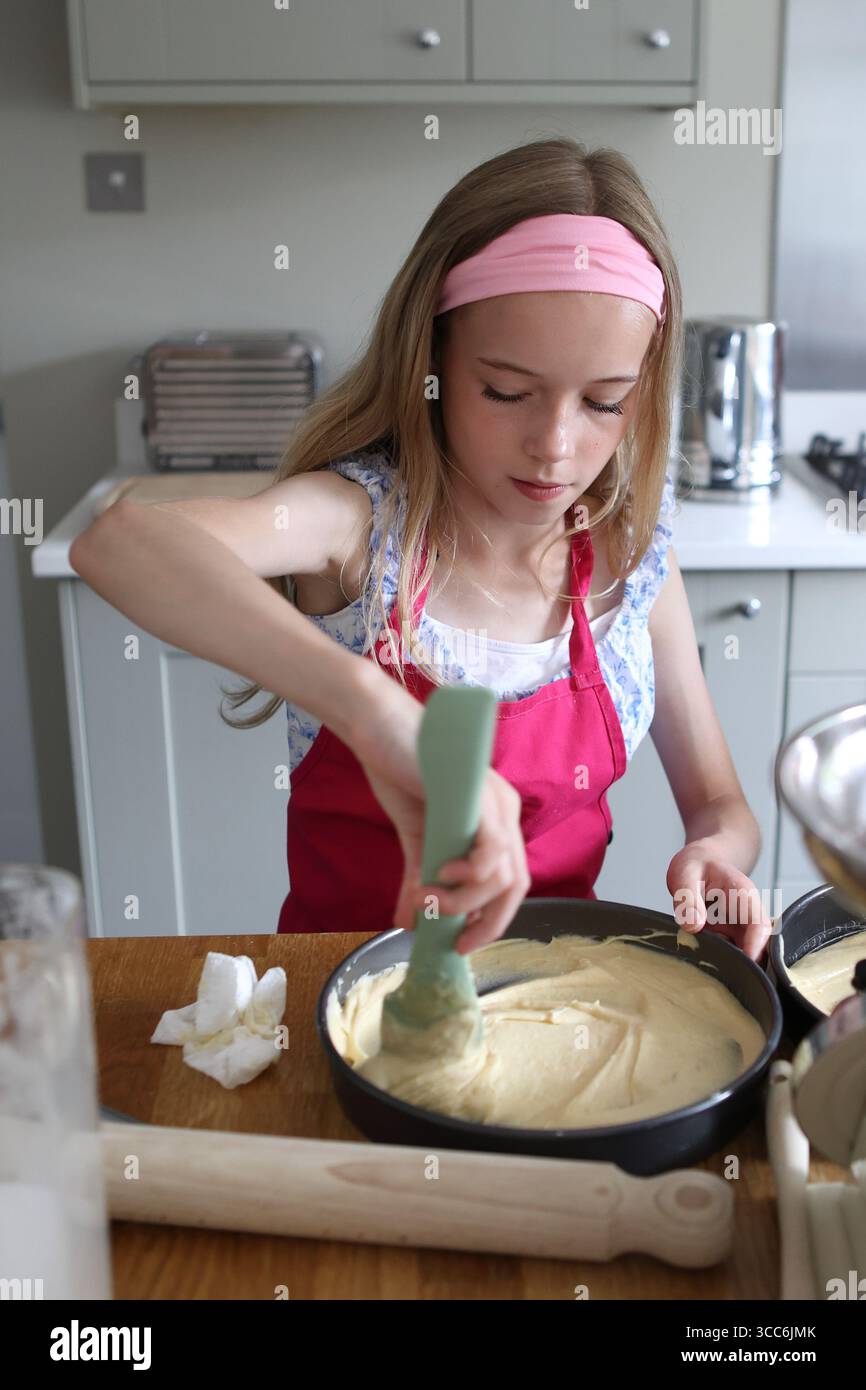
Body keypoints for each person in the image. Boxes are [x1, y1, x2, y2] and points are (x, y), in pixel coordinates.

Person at [70, 137, 774, 961]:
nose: (553, 444)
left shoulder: (632, 562)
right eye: (506, 391)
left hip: (562, 1001)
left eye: (603, 403)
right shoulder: (357, 528)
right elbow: (117, 543)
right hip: (336, 997)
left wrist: (719, 853)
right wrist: (374, 715)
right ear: (431, 358)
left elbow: (721, 804)